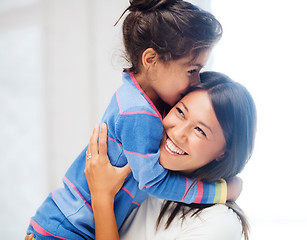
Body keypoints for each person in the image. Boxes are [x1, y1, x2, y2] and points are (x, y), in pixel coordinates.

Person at [26, 1, 239, 239]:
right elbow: (154, 183)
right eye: (191, 71)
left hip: (64, 220)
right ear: (151, 60)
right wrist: (220, 191)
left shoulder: (134, 94)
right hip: (67, 229)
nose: (197, 81)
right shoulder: (139, 114)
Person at [85, 71, 257, 240]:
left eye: (200, 130)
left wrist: (101, 197)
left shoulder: (218, 224)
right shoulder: (141, 170)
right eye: (180, 112)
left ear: (223, 154)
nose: (177, 133)